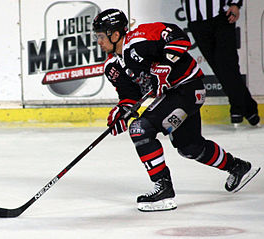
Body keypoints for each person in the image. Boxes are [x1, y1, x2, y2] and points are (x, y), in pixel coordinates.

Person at [93, 9, 260, 212]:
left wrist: (166, 64)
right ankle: (237, 166)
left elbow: (176, 35)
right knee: (189, 146)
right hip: (174, 97)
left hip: (188, 88)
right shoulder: (113, 66)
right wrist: (122, 112)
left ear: (116, 34)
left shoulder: (138, 39)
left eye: (101, 36)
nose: (99, 42)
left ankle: (163, 188)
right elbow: (130, 95)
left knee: (140, 129)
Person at [181, 0, 260, 126]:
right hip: (196, 20)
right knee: (219, 68)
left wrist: (235, 3)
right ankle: (249, 108)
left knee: (228, 65)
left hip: (222, 15)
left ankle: (237, 108)